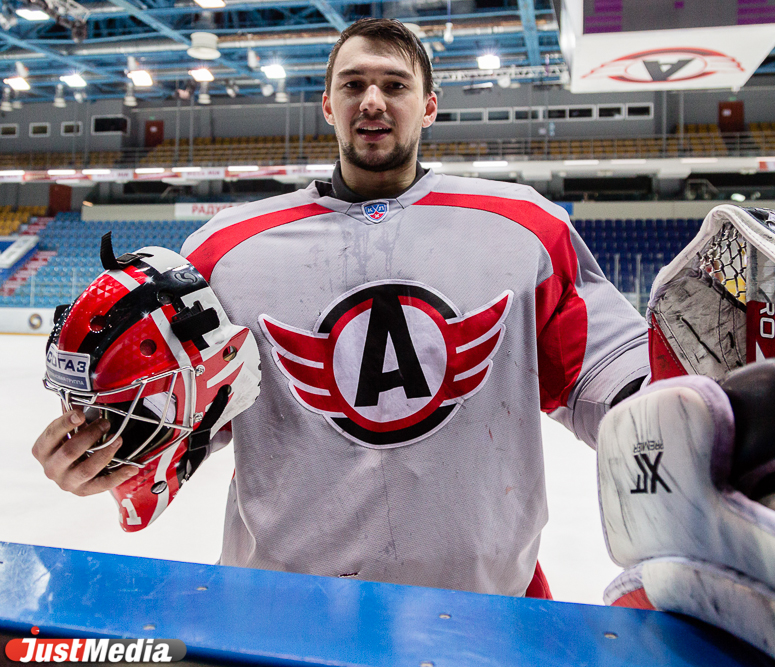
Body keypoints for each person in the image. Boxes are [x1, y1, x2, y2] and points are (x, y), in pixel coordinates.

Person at [31, 18, 649, 597]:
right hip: (281, 605)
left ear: (429, 106)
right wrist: (107, 450)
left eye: (395, 85)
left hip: (484, 603)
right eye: (353, 84)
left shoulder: (525, 227)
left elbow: (604, 369)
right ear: (329, 105)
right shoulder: (225, 249)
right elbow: (192, 406)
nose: (372, 100)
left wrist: (670, 415)